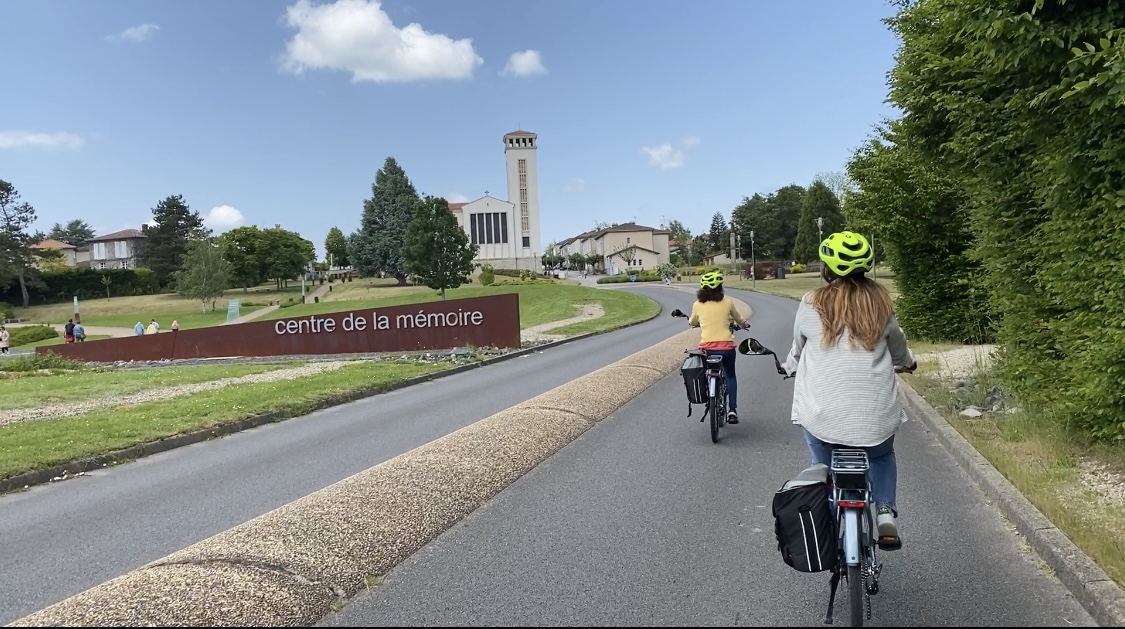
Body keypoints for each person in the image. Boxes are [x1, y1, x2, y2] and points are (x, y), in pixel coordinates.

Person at [782, 231, 917, 549]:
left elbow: (798, 350)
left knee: (823, 460)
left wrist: (788, 367)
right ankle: (885, 512)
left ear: (826, 270)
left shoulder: (812, 302)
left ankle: (828, 514)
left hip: (823, 417)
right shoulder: (881, 302)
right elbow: (898, 349)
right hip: (876, 418)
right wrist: (908, 364)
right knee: (882, 456)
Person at [687, 271, 749, 423]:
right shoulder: (727, 302)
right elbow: (739, 319)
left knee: (707, 372)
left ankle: (710, 396)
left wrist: (697, 323)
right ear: (720, 287)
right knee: (730, 376)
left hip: (707, 350)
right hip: (727, 348)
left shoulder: (697, 305)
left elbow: (692, 322)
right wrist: (745, 324)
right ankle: (732, 410)